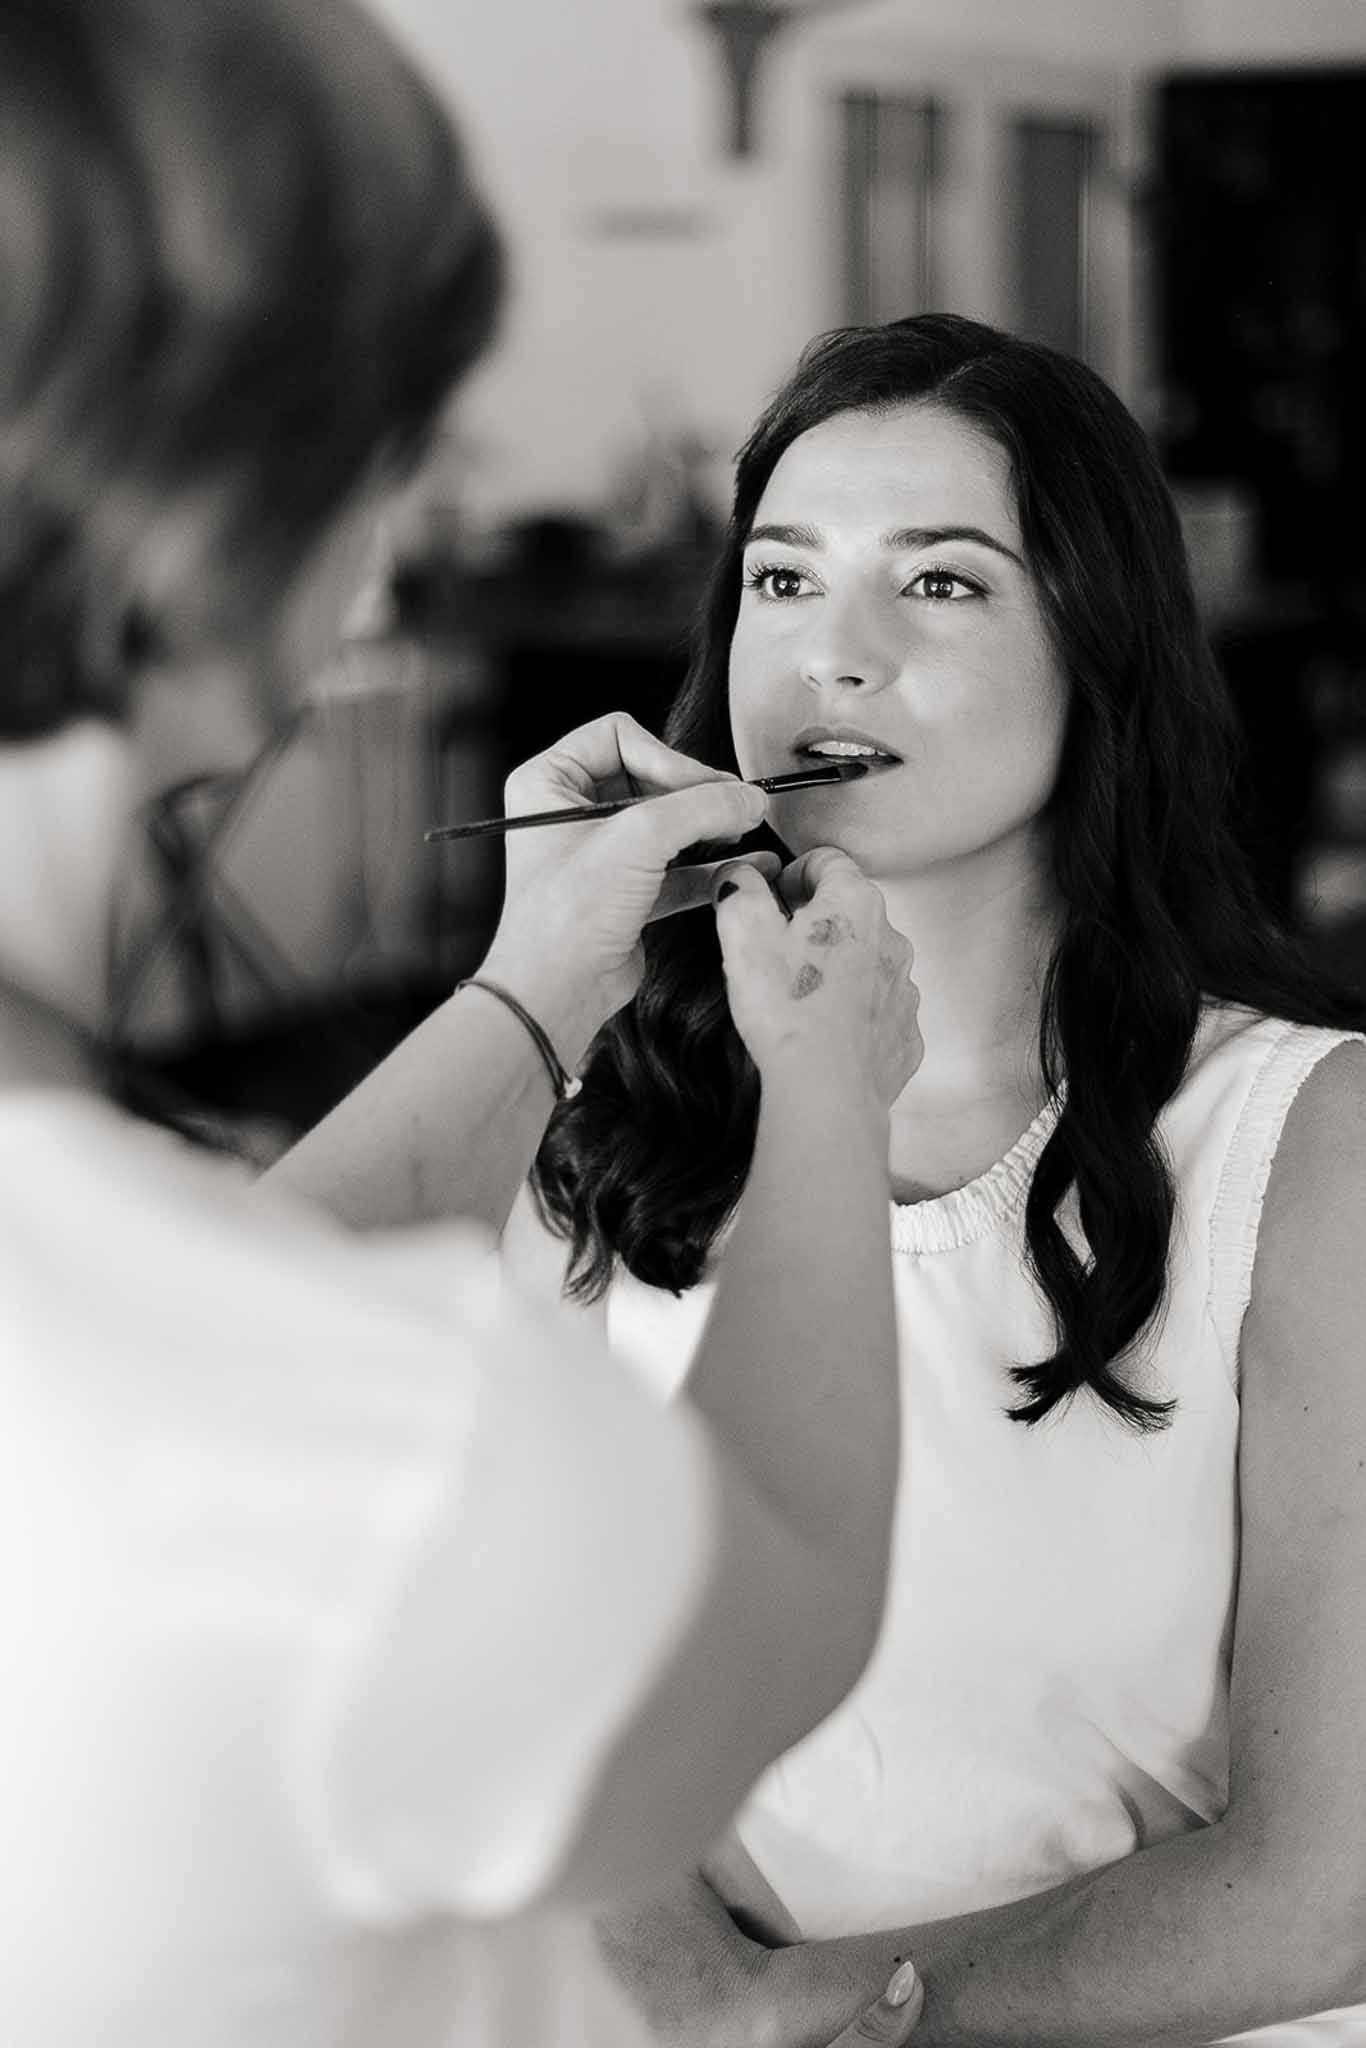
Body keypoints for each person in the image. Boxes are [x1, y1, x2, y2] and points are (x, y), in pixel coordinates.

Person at [0, 3, 929, 2039]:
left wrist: (533, 985)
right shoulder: (346, 1437)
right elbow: (775, 1591)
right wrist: (823, 1102)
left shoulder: (183, 1326)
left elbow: (224, 1279)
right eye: (779, 575)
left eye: (941, 584)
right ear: (252, 530)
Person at [510, 314, 1366, 2046]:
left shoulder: (1308, 1144)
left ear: (1097, 649)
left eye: (943, 585)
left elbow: (1319, 1894)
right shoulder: (604, 1112)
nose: (831, 656)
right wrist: (679, 1991)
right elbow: (512, 1668)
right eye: (779, 580)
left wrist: (800, 2018)